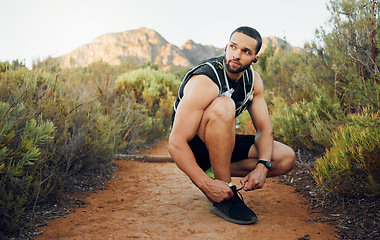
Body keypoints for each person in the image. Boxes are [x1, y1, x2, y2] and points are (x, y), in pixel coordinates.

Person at [168, 26, 296, 225]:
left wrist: (263, 166)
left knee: (285, 157)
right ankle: (224, 191)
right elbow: (176, 142)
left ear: (255, 58)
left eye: (246, 51)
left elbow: (264, 129)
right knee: (224, 105)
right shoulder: (206, 80)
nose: (236, 55)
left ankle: (215, 171)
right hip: (194, 148)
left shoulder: (253, 81)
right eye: (233, 47)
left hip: (220, 143)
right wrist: (206, 184)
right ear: (226, 47)